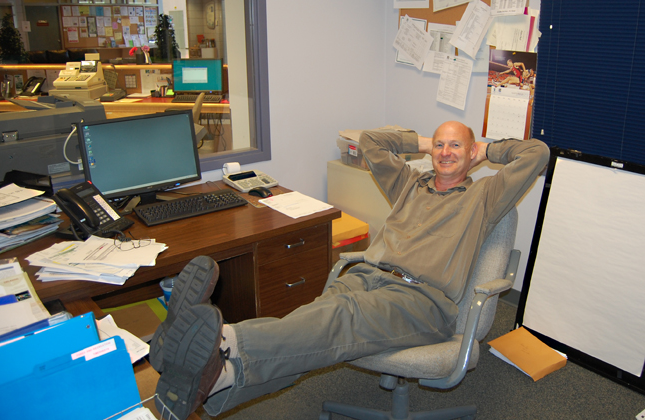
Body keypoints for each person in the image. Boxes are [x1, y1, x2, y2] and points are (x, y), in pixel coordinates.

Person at [152, 122, 550, 419]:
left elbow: (537, 153)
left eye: (456, 146)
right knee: (314, 322)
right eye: (440, 145)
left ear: (472, 152)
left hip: (420, 299)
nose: (446, 152)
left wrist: (486, 149)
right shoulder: (409, 184)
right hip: (365, 276)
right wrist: (426, 143)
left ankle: (223, 341)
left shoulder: (486, 196)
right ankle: (215, 379)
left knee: (338, 320)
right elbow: (371, 142)